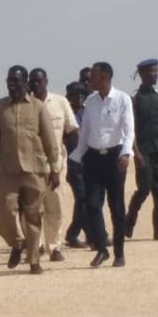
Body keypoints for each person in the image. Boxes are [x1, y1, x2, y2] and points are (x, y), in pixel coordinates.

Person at [0, 66, 59, 275]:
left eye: (16, 81)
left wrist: (54, 168)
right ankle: (17, 243)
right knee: (5, 213)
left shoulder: (38, 107)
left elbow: (49, 140)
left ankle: (34, 260)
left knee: (33, 216)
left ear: (25, 82)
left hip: (34, 170)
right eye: (9, 81)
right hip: (8, 171)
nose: (12, 85)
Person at [69, 62, 134, 268]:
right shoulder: (90, 101)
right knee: (92, 205)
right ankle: (102, 249)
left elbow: (129, 130)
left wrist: (126, 153)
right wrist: (76, 157)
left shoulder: (122, 99)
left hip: (115, 158)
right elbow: (85, 133)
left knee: (117, 207)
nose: (90, 81)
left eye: (94, 77)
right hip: (93, 158)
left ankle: (119, 253)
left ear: (105, 77)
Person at [28, 67, 79, 262]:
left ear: (46, 81)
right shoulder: (25, 104)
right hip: (31, 166)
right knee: (32, 207)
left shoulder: (60, 102)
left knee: (55, 207)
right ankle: (37, 245)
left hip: (56, 166)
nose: (36, 84)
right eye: (32, 81)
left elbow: (72, 131)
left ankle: (54, 246)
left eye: (39, 80)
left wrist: (71, 158)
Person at [125, 59, 158, 241]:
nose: (155, 74)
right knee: (144, 188)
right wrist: (136, 153)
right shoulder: (134, 99)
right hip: (143, 151)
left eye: (156, 71)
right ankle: (129, 219)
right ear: (142, 74)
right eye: (152, 71)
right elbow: (130, 129)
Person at [64, 82, 90, 249]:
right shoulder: (66, 114)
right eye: (75, 95)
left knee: (87, 199)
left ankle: (80, 233)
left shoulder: (87, 112)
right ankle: (75, 234)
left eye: (82, 95)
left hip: (88, 162)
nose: (79, 98)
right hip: (72, 163)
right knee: (82, 197)